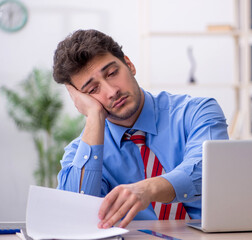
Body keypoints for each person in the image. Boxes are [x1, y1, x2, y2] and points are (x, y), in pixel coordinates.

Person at [52, 29, 229, 228]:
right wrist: (94, 116)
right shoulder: (81, 153)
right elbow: (75, 216)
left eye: (112, 73)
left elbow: (209, 171)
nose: (112, 92)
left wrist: (148, 189)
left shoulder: (197, 112)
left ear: (129, 64)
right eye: (93, 90)